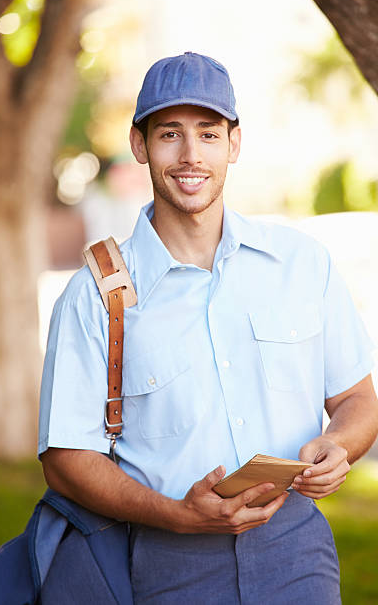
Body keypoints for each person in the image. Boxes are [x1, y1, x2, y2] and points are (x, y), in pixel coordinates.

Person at [39, 52, 378, 604]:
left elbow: (358, 399)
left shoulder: (301, 263)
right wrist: (176, 516)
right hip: (164, 561)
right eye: (170, 133)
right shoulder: (95, 296)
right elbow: (66, 459)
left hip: (296, 551)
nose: (191, 155)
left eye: (209, 133)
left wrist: (339, 446)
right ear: (139, 145)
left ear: (234, 144)